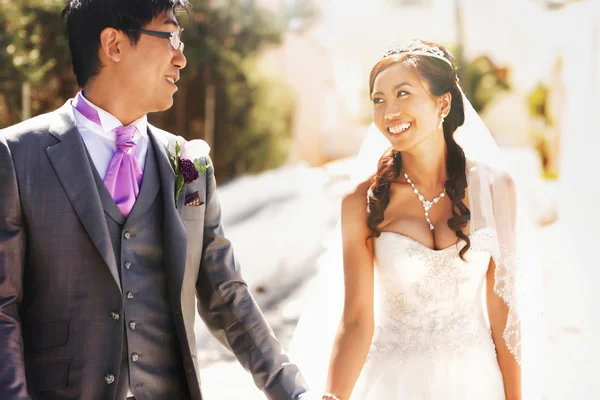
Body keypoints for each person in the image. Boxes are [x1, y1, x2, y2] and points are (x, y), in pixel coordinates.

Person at [0, 1, 310, 399]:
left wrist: (294, 391)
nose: (181, 58)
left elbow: (226, 294)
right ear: (113, 44)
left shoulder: (188, 162)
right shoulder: (16, 154)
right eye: (170, 36)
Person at [292, 39, 535, 400]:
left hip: (476, 383)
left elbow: (504, 313)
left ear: (443, 103)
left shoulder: (496, 188)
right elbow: (356, 321)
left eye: (403, 94)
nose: (389, 111)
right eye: (378, 99)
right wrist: (333, 397)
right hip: (391, 384)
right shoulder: (360, 201)